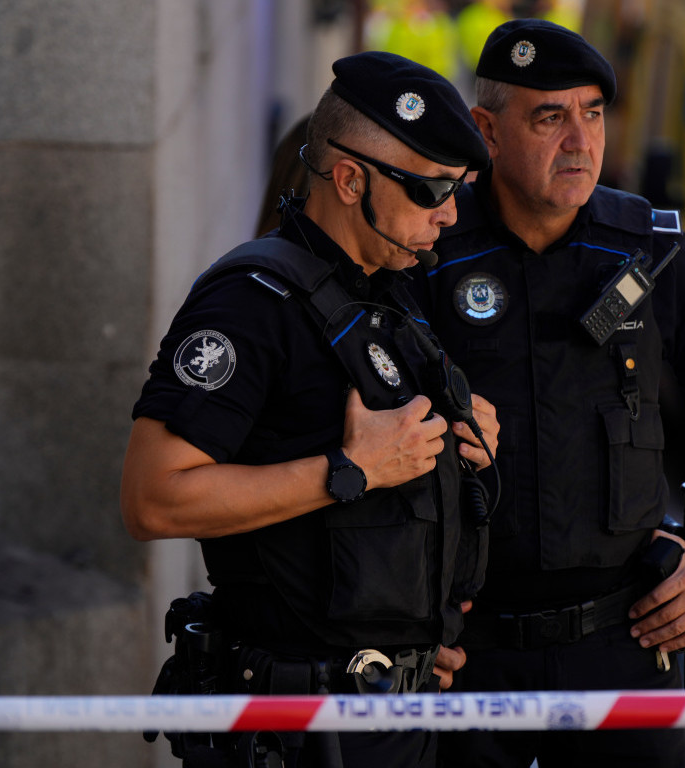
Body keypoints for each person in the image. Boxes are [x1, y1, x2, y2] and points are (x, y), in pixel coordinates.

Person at [409, 20, 685, 768]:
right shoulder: (427, 252)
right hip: (466, 654)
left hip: (622, 652)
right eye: (550, 117)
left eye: (592, 113)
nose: (580, 141)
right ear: (486, 130)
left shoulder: (650, 256)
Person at [121, 51, 498, 768]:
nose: (449, 215)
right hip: (296, 731)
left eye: (458, 189)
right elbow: (152, 499)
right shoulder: (249, 303)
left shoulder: (386, 292)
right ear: (351, 179)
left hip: (397, 717)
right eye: (431, 190)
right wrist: (348, 469)